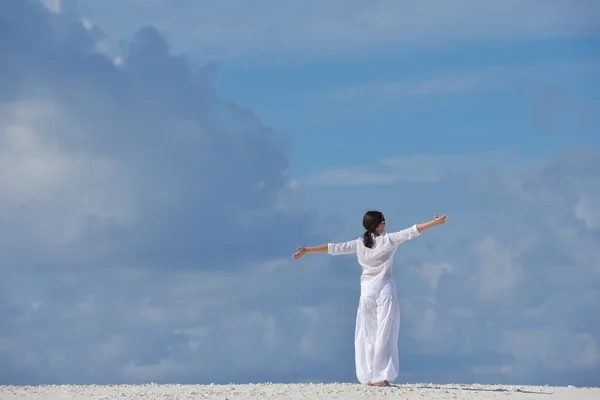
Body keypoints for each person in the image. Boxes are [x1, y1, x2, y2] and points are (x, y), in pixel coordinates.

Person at [293, 211, 447, 387]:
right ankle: (381, 376)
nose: (385, 224)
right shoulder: (388, 240)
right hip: (384, 292)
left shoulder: (359, 244)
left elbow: (333, 248)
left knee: (367, 335)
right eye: (383, 221)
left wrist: (307, 250)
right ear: (377, 225)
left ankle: (370, 376)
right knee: (384, 334)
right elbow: (412, 231)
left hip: (367, 294)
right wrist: (434, 223)